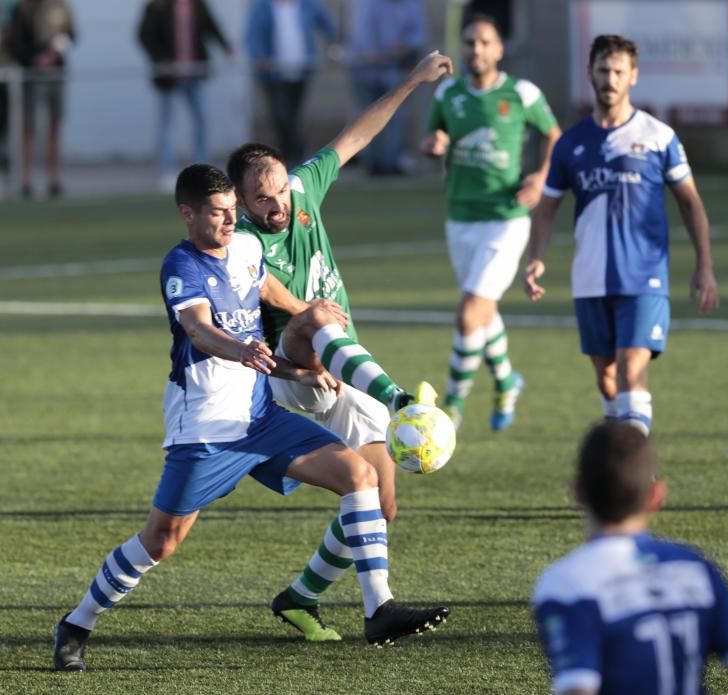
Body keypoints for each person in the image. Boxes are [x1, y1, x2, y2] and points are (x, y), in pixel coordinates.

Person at [51, 164, 449, 672]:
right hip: (207, 432)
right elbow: (199, 330)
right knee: (161, 541)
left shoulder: (246, 247)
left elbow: (267, 293)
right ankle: (77, 622)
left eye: (232, 211)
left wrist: (304, 329)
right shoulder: (182, 266)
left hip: (262, 418)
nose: (228, 221)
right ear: (187, 212)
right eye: (217, 213)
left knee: (360, 475)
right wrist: (243, 349)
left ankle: (379, 608)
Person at [226, 50, 455, 641]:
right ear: (243, 203)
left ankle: (301, 596)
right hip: (291, 372)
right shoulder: (243, 239)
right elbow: (268, 286)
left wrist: (413, 81)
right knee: (317, 319)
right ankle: (401, 397)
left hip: (341, 368)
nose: (275, 205)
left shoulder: (302, 190)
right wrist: (305, 311)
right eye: (261, 200)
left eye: (278, 191)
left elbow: (357, 133)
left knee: (380, 500)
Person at [523, 35, 720, 436]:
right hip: (591, 278)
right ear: (590, 74)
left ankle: (638, 472)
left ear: (633, 76)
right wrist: (537, 257)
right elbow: (547, 208)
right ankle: (621, 465)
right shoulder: (571, 144)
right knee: (607, 380)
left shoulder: (659, 137)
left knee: (633, 368)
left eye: (618, 71)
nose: (610, 79)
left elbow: (691, 203)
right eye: (603, 70)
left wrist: (705, 267)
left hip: (644, 276)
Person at [532, 421, 728, 695]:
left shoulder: (568, 584)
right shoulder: (694, 568)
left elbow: (579, 690)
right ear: (656, 495)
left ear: (578, 491)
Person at [421, 13, 560, 432]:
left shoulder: (522, 93)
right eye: (469, 42)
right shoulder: (448, 93)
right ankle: (506, 381)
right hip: (461, 216)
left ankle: (451, 406)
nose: (476, 49)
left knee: (468, 313)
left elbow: (555, 135)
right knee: (484, 311)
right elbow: (433, 140)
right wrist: (434, 145)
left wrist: (541, 177)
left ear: (500, 49)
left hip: (506, 218)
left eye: (484, 42)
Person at [137, 0, 233, 190]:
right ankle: (167, 170)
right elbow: (144, 35)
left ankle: (202, 169)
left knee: (202, 118)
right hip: (169, 77)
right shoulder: (158, 6)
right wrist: (161, 61)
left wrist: (227, 48)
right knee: (167, 123)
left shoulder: (198, 5)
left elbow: (212, 26)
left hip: (194, 72)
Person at [245, 0, 336, 167]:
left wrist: (332, 42)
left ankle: (292, 155)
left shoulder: (306, 5)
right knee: (280, 116)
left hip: (301, 69)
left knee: (292, 116)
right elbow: (252, 33)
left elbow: (325, 21)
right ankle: (293, 153)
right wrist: (259, 56)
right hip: (273, 73)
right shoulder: (262, 6)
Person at [4, 0, 74, 198]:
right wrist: (34, 59)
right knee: (28, 126)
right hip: (30, 75)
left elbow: (71, 34)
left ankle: (53, 178)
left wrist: (55, 54)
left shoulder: (60, 6)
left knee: (54, 125)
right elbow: (13, 42)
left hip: (55, 73)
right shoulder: (22, 8)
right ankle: (26, 178)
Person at [347, 0, 427, 176]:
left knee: (393, 117)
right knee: (367, 116)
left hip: (394, 71)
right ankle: (373, 162)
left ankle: (390, 162)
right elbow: (362, 34)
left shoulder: (412, 4)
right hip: (365, 70)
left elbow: (417, 34)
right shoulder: (366, 4)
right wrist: (371, 53)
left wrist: (405, 47)